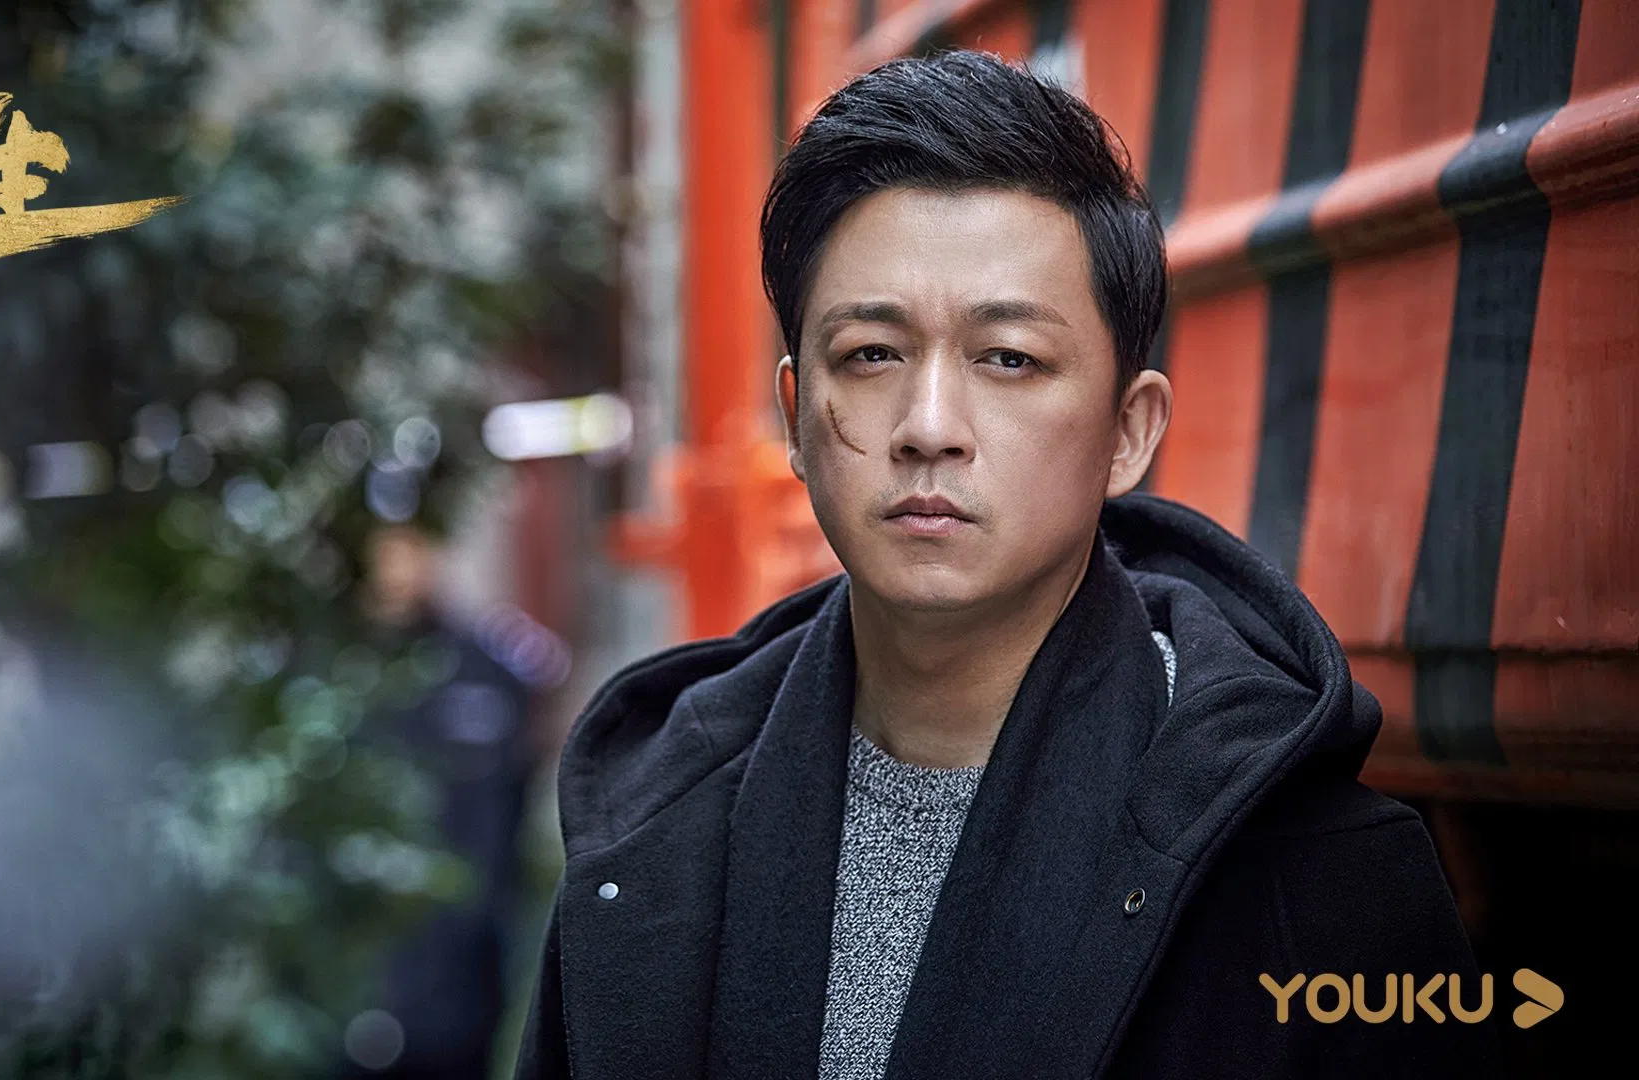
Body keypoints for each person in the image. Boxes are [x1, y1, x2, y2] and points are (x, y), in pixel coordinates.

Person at [514, 50, 1504, 1080]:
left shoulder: (1306, 865)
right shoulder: (652, 831)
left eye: (1009, 359)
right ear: (796, 415)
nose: (928, 426)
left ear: (1130, 430)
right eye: (871, 354)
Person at [343, 521, 539, 1080]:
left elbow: (506, 815)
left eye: (411, 546)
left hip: (460, 976)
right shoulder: (336, 673)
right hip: (352, 978)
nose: (398, 567)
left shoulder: (485, 668)